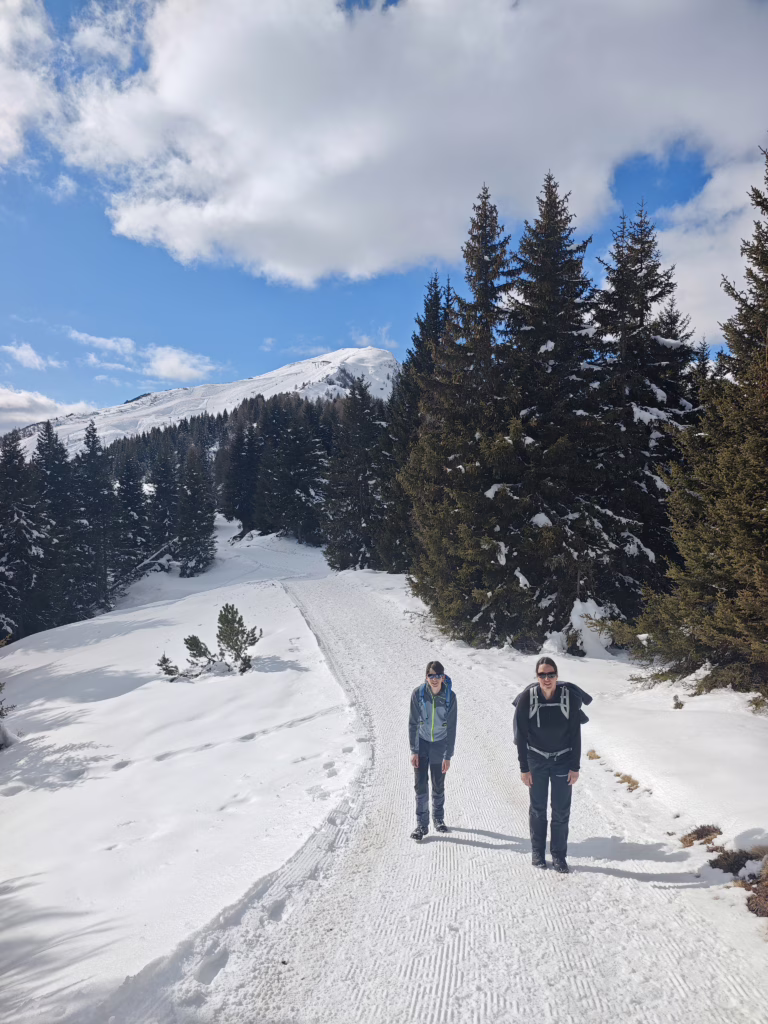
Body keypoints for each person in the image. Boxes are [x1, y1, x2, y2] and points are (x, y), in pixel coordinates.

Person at [512, 657, 591, 873]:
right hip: (536, 760)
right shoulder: (528, 698)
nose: (547, 679)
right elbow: (521, 736)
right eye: (542, 675)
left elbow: (575, 735)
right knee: (538, 809)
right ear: (537, 676)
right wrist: (524, 768)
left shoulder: (568, 699)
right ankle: (537, 852)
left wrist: (575, 767)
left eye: (551, 674)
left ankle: (558, 855)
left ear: (557, 675)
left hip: (562, 761)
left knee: (561, 811)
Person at [408, 660, 457, 842]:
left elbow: (451, 727)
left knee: (438, 784)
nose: (434, 679)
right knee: (420, 785)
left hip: (440, 745)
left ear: (443, 677)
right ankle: (422, 825)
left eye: (438, 676)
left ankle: (438, 818)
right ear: (426, 677)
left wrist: (448, 755)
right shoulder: (418, 694)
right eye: (431, 676)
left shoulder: (450, 697)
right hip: (422, 744)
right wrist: (414, 750)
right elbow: (413, 723)